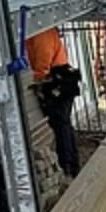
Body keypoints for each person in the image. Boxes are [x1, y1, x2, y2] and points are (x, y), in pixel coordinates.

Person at [25, 28, 81, 177]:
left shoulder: (40, 32)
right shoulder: (37, 32)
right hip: (60, 81)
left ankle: (67, 164)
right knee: (63, 124)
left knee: (61, 124)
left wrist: (32, 78)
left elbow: (43, 64)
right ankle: (71, 162)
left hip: (57, 82)